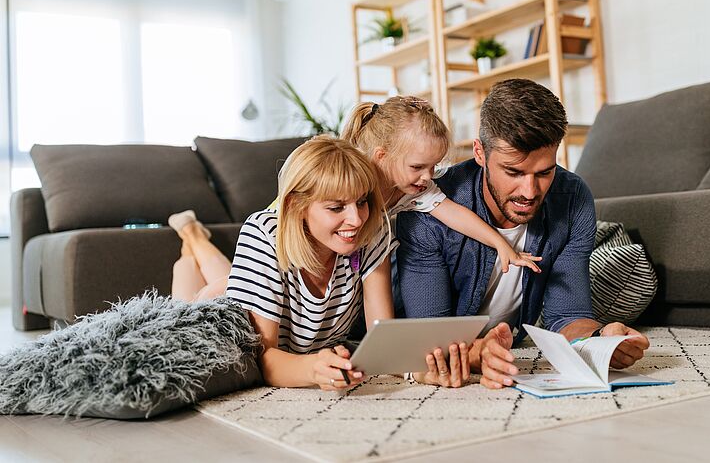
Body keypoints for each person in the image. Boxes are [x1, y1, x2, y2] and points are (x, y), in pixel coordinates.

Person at [394, 79, 651, 390]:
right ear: (479, 153)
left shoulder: (573, 198)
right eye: (513, 172)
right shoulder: (427, 207)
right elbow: (428, 336)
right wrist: (476, 353)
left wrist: (599, 340)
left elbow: (568, 315)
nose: (529, 192)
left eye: (544, 172)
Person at [171, 136, 470, 389]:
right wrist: (313, 369)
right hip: (216, 308)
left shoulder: (369, 231)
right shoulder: (262, 233)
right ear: (296, 206)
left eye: (361, 202)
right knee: (190, 290)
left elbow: (382, 339)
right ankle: (191, 237)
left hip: (263, 289)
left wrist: (420, 371)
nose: (356, 219)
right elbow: (262, 357)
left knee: (228, 277)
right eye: (336, 207)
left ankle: (193, 235)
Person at [341, 95, 541, 274]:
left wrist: (500, 244)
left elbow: (455, 214)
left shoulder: (414, 189)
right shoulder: (353, 183)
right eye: (417, 167)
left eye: (433, 166)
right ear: (381, 156)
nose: (428, 176)